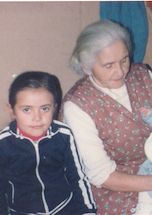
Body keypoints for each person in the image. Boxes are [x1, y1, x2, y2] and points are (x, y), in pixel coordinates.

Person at [59, 20, 152, 214]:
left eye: (124, 60)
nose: (120, 71)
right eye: (108, 65)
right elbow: (103, 177)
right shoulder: (77, 106)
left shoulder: (143, 75)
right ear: (87, 67)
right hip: (118, 191)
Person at [0, 71, 97, 214]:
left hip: (64, 208)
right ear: (12, 110)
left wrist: (88, 211)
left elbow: (78, 177)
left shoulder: (64, 134)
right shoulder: (4, 143)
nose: (37, 118)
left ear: (55, 107)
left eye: (45, 109)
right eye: (27, 110)